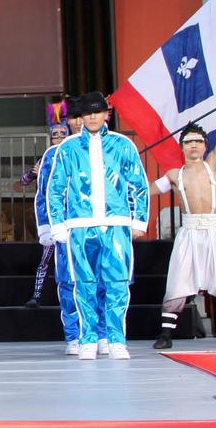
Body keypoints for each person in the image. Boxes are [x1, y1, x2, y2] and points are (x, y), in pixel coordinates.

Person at [45, 91, 149, 360]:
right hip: (81, 225)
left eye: (97, 112)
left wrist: (139, 220)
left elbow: (139, 184)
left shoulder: (122, 144)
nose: (92, 117)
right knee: (84, 283)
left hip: (115, 223)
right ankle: (88, 338)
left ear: (107, 114)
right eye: (87, 112)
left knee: (116, 282)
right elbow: (55, 188)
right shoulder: (68, 148)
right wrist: (58, 224)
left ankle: (116, 339)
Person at [150, 95, 216, 349]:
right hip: (188, 232)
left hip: (212, 229)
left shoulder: (214, 165)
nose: (194, 146)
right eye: (189, 142)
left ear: (205, 144)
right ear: (182, 146)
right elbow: (147, 190)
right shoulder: (174, 175)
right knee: (177, 281)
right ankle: (166, 335)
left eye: (198, 141)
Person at [32, 103, 84, 354]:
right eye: (72, 118)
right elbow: (43, 192)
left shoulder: (98, 148)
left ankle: (103, 333)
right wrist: (45, 226)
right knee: (67, 280)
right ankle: (73, 336)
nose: (76, 124)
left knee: (100, 280)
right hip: (64, 225)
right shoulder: (52, 156)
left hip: (94, 223)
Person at [21, 114, 73, 309]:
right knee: (46, 258)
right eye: (55, 134)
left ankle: (70, 297)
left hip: (72, 215)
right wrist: (33, 172)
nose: (59, 136)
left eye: (62, 133)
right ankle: (36, 294)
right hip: (51, 216)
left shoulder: (73, 154)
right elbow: (24, 181)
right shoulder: (47, 156)